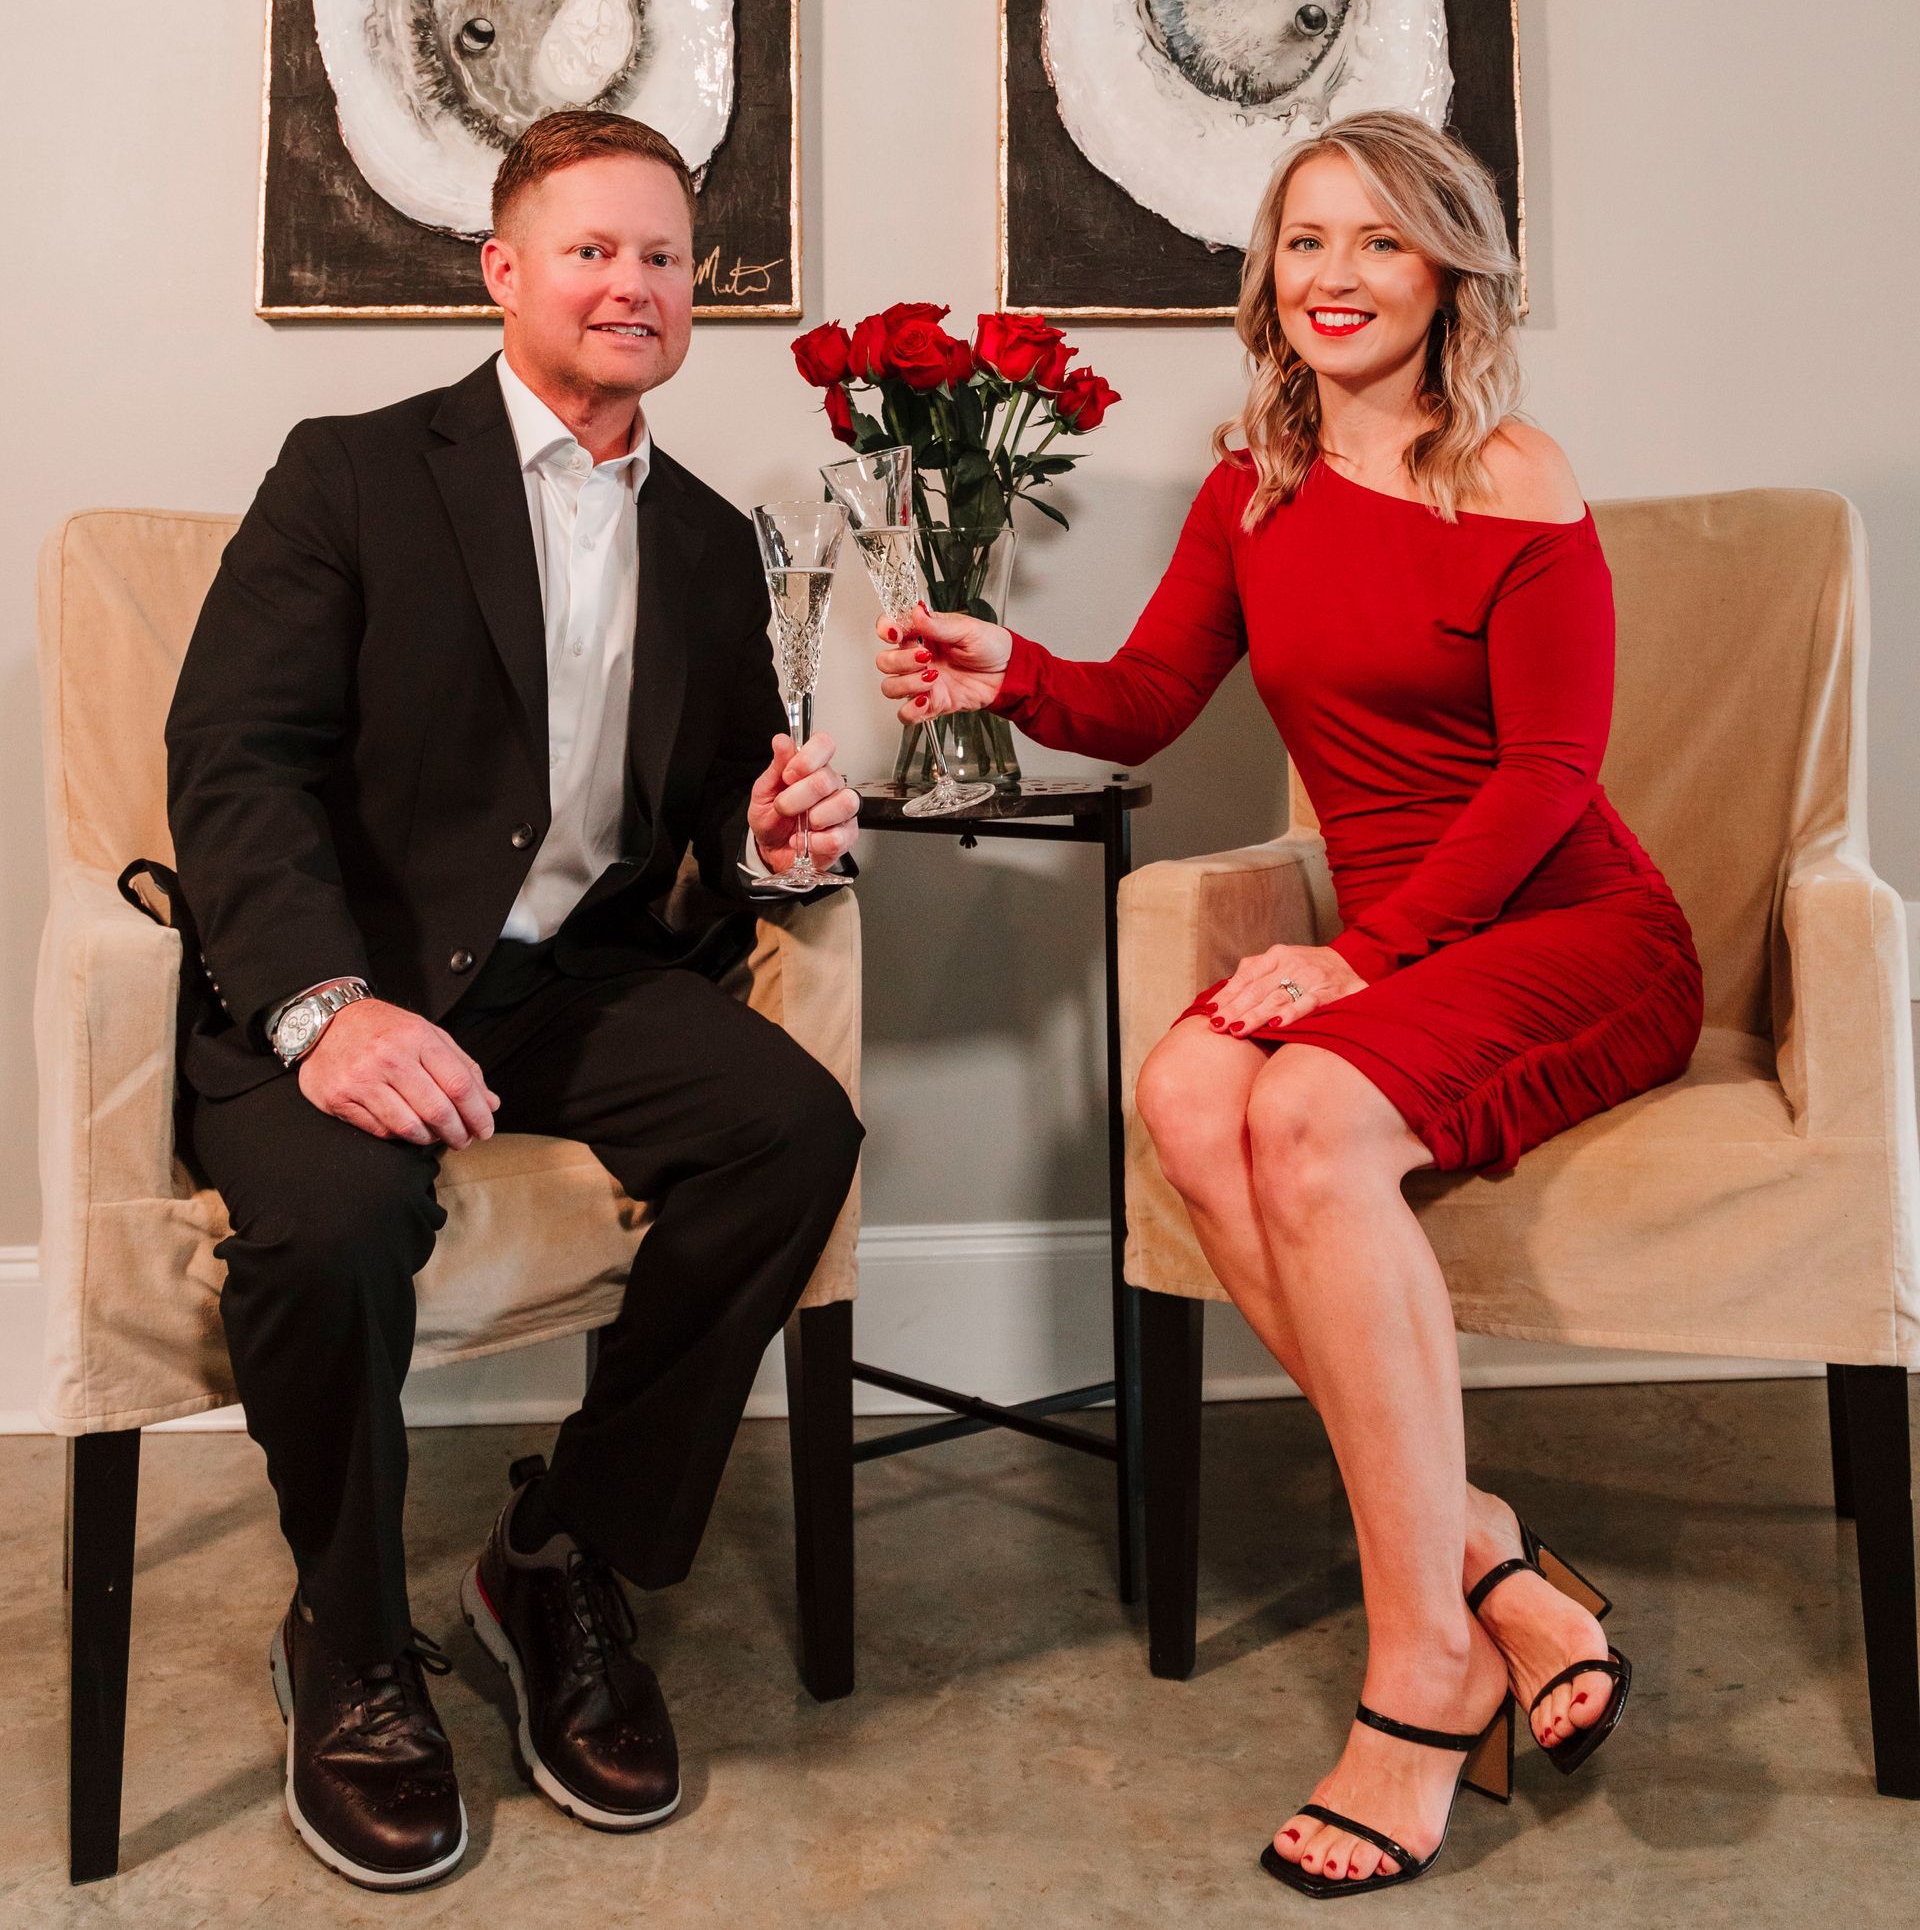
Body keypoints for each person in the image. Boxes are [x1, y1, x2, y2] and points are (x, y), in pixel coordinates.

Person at [875, 111, 1703, 1898]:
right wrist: (1000, 666)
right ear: (1271, 276)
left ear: (1449, 276)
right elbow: (1152, 695)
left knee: (1305, 1114)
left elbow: (1551, 776)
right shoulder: (1254, 483)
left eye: (1382, 244)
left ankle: (1418, 1672)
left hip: (1573, 928)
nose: (1336, 277)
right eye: (1308, 241)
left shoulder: (1518, 480)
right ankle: (1484, 1558)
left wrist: (1368, 953)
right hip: (1414, 943)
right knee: (1184, 1096)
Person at [167, 108, 864, 1891]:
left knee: (794, 1131)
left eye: (662, 257)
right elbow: (232, 759)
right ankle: (344, 1631)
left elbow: (708, 788)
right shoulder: (351, 470)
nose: (631, 283)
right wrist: (326, 1005)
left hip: (566, 981)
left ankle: (557, 1553)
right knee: (334, 1225)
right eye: (591, 249)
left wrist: (767, 834)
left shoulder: (711, 536)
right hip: (341, 977)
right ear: (503, 271)